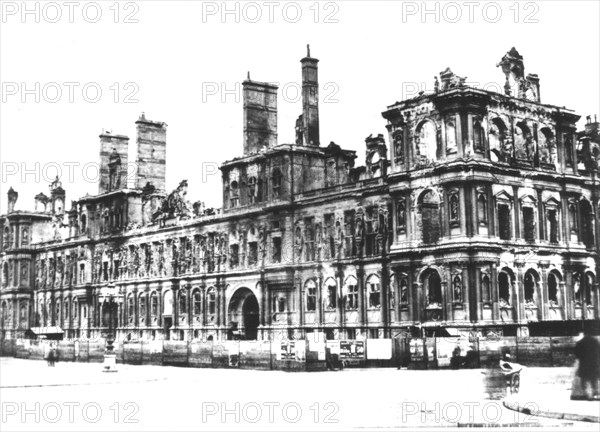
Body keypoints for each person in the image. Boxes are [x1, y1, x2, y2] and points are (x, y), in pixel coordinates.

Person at [574, 329, 600, 401]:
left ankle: (587, 394)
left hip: (584, 364)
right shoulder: (595, 342)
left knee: (584, 380)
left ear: (584, 334)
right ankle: (596, 394)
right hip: (594, 364)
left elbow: (577, 355)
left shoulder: (580, 343)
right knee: (594, 380)